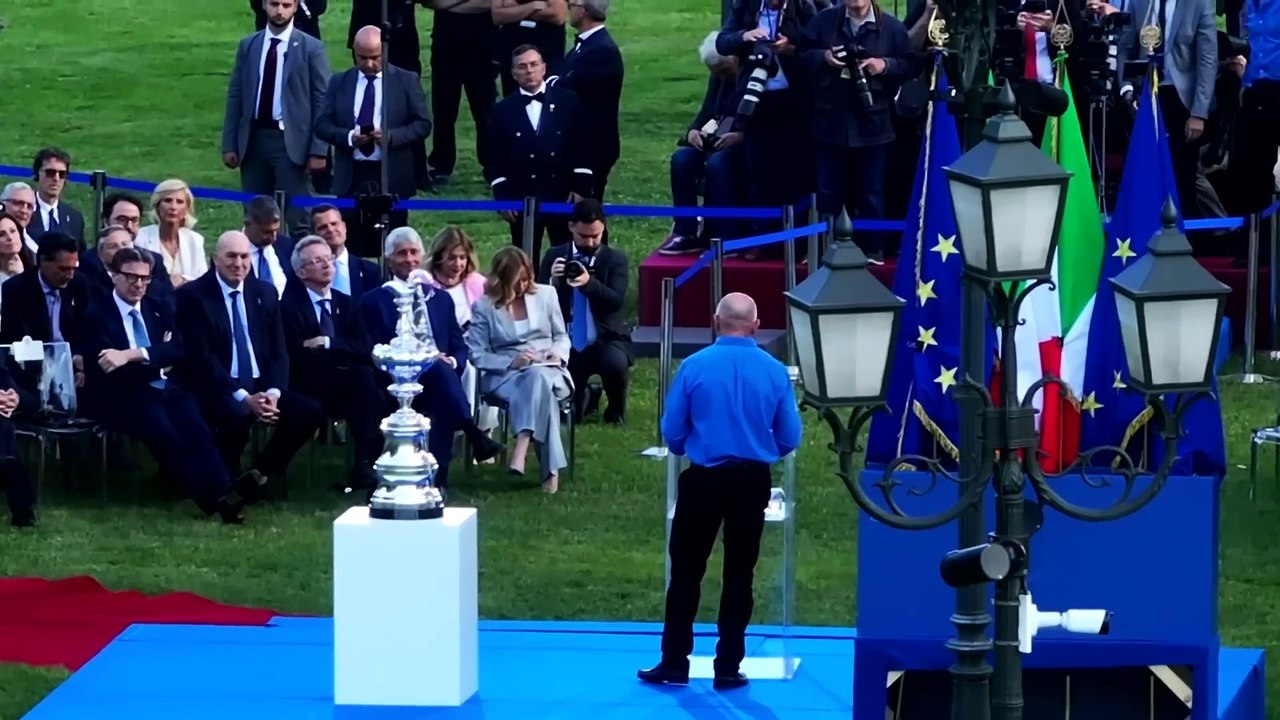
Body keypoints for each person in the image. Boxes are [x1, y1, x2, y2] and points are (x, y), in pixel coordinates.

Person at [638, 292, 802, 690]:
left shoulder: (694, 367)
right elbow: (790, 435)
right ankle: (728, 666)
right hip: (751, 481)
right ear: (756, 325)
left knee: (686, 574)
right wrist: (762, 452)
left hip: (704, 479)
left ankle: (675, 661)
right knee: (739, 575)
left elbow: (673, 430)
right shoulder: (775, 371)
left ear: (715, 322)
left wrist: (684, 446)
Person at [81, 248, 261, 524]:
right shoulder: (96, 314)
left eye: (145, 278)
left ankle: (226, 489)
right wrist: (157, 356)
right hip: (124, 395)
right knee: (169, 438)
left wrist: (132, 354)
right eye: (130, 277)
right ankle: (217, 500)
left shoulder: (158, 305)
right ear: (114, 276)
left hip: (166, 387)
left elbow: (178, 349)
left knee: (199, 432)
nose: (138, 284)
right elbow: (111, 369)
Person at [173, 231, 324, 489]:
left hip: (260, 384)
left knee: (309, 412)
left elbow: (279, 350)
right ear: (215, 258)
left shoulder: (264, 292)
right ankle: (224, 480)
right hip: (217, 385)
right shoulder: (193, 295)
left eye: (244, 257)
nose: (239, 263)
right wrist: (244, 397)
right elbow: (201, 358)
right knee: (237, 415)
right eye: (231, 256)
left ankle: (260, 474)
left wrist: (274, 393)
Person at [360, 227, 504, 491]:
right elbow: (371, 349)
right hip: (393, 381)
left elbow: (459, 346)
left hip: (438, 381)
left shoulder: (440, 299)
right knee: (441, 382)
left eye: (414, 252)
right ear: (389, 259)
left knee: (442, 393)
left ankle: (438, 477)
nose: (409, 259)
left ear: (422, 255)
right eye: (401, 254)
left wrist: (453, 362)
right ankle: (472, 432)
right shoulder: (372, 302)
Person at [315, 24, 433, 256]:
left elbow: (423, 124)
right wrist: (349, 137)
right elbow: (322, 124)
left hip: (392, 176)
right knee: (351, 246)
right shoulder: (340, 82)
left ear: (385, 52)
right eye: (362, 58)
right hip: (352, 176)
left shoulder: (406, 80)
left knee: (394, 246)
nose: (369, 64)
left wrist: (390, 136)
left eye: (375, 57)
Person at [281, 235, 384, 490]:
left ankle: (364, 465)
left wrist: (327, 343)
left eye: (328, 258)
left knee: (369, 386)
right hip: (308, 384)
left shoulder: (348, 304)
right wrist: (342, 351)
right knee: (365, 383)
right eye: (317, 261)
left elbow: (364, 347)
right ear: (301, 272)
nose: (327, 264)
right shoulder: (290, 308)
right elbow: (297, 353)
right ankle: (364, 464)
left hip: (346, 385)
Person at [467, 246, 572, 493]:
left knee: (539, 377)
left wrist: (557, 353)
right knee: (540, 386)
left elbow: (562, 336)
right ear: (501, 281)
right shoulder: (485, 306)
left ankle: (522, 444)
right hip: (507, 376)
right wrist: (510, 363)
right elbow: (477, 354)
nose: (523, 286)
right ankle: (550, 473)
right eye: (516, 282)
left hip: (548, 367)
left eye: (526, 280)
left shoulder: (546, 295)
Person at [222, 0, 332, 232]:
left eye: (285, 5)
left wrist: (318, 149)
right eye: (274, 4)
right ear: (263, 5)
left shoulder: (311, 48)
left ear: (295, 7)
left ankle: (300, 265)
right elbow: (236, 95)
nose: (279, 11)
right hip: (253, 140)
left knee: (299, 218)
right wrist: (230, 143)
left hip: (291, 143)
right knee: (254, 216)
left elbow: (322, 101)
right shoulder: (249, 45)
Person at [486, 44, 593, 262]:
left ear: (544, 68)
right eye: (522, 67)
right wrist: (502, 196)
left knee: (566, 255)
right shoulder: (502, 110)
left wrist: (580, 185)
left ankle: (565, 295)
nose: (529, 71)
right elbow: (494, 156)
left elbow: (583, 144)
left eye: (534, 64)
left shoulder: (568, 101)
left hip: (562, 194)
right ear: (513, 73)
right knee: (524, 259)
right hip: (522, 196)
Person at [538, 199, 631, 424]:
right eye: (583, 236)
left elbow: (615, 302)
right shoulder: (554, 255)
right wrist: (552, 282)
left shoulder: (615, 259)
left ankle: (616, 409)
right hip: (566, 341)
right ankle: (587, 395)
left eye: (595, 236)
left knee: (616, 365)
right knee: (571, 418)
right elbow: (538, 303)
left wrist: (589, 283)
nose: (589, 242)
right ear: (571, 227)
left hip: (605, 337)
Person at [425, 226, 498, 434]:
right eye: (452, 258)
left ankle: (481, 430)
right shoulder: (426, 284)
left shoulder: (477, 284)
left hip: (474, 347)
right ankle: (462, 427)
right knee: (467, 370)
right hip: (440, 351)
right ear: (439, 257)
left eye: (462, 258)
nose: (458, 264)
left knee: (482, 369)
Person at [133, 179, 207, 287]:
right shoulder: (140, 238)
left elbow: (203, 280)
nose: (173, 207)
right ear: (157, 206)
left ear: (186, 209)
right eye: (167, 200)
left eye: (179, 202)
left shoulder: (195, 240)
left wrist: (182, 279)